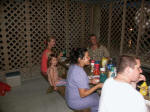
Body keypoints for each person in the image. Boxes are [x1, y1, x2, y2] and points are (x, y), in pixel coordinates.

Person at [65, 48, 103, 112]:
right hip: (75, 102)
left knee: (96, 95)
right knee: (99, 101)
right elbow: (83, 94)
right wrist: (97, 86)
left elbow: (77, 80)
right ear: (80, 59)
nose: (89, 58)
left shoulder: (73, 65)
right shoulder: (79, 72)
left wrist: (91, 81)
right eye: (87, 57)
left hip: (69, 97)